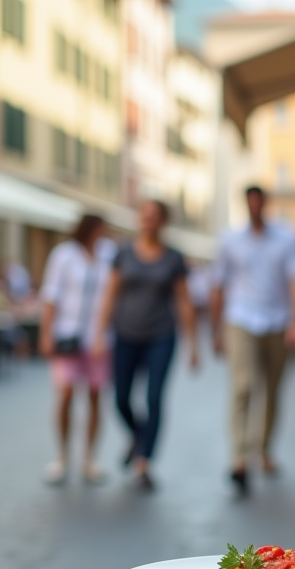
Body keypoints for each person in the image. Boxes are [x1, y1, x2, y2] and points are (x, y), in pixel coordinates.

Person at [210, 185, 295, 494]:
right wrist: (216, 329)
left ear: (265, 204)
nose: (255, 206)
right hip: (240, 320)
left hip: (278, 322)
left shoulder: (286, 238)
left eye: (259, 201)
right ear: (246, 204)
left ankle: (264, 449)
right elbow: (218, 285)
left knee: (272, 389)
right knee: (243, 385)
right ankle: (240, 457)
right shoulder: (230, 240)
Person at [93, 200, 197, 490]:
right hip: (125, 334)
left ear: (162, 221)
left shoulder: (173, 257)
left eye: (153, 217)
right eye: (144, 215)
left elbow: (184, 301)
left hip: (161, 336)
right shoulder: (123, 253)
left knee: (153, 398)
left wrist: (193, 346)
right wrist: (100, 334)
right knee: (121, 399)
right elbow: (110, 295)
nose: (147, 221)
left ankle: (144, 462)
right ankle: (139, 434)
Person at [38, 214, 116, 485]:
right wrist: (45, 332)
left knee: (96, 397)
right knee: (66, 395)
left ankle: (89, 458)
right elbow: (51, 294)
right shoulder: (64, 255)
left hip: (99, 339)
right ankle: (62, 456)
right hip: (67, 335)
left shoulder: (110, 255)